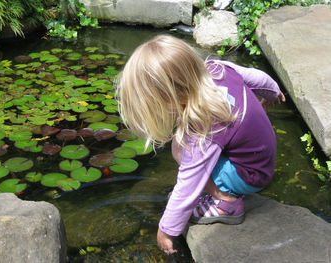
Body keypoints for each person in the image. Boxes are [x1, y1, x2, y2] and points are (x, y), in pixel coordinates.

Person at [116, 35, 285, 255]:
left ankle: (227, 202)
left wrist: (167, 229)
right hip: (261, 156)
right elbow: (258, 78)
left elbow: (188, 184)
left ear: (172, 98)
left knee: (181, 150)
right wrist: (273, 93)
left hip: (250, 174)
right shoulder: (218, 69)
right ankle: (227, 187)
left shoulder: (203, 128)